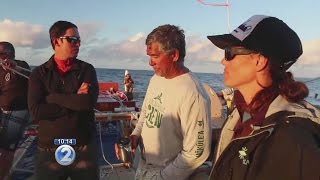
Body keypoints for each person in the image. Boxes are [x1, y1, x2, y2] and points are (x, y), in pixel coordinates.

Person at [207, 15, 320, 179]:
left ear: (260, 61)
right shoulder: (242, 109)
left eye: (229, 53)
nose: (223, 61)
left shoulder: (290, 137)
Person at [116, 24, 212, 180]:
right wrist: (135, 135)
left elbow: (196, 152)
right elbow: (146, 113)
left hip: (167, 174)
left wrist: (163, 177)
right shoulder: (156, 79)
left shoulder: (193, 93)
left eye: (154, 56)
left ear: (174, 55)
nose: (150, 63)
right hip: (144, 166)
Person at [28, 21, 99, 180]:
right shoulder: (39, 74)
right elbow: (36, 112)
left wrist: (52, 98)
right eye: (72, 39)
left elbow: (87, 103)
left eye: (79, 40)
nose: (78, 44)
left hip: (83, 147)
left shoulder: (87, 70)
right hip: (49, 149)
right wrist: (74, 100)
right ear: (56, 41)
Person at [0, 41, 31, 179]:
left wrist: (14, 66)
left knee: (7, 148)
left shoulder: (21, 65)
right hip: (2, 111)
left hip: (19, 110)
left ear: (10, 54)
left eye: (1, 54)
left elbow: (24, 72)